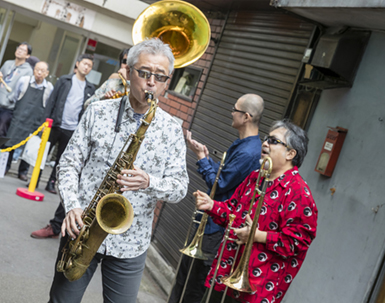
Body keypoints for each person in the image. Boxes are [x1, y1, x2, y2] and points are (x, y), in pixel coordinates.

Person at [47, 38, 189, 303]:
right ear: (129, 71)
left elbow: (180, 186)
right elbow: (68, 163)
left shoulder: (171, 129)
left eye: (160, 77)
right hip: (83, 228)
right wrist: (72, 205)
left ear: (167, 81)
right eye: (145, 73)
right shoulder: (98, 111)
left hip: (131, 242)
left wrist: (149, 181)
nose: (151, 82)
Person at [195, 119, 318, 303]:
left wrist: (257, 236)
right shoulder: (255, 176)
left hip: (256, 290)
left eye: (274, 141)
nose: (265, 143)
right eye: (266, 139)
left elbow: (297, 242)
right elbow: (233, 213)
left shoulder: (300, 194)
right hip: (226, 274)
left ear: (290, 154)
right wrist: (212, 206)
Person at [168, 93, 265, 303]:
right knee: (184, 279)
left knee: (192, 286)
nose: (231, 113)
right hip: (211, 221)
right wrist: (206, 158)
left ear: (246, 116)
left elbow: (218, 185)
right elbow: (224, 177)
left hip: (216, 227)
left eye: (235, 109)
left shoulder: (249, 152)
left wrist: (202, 160)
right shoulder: (242, 145)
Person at [43, 53, 96, 194]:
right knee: (44, 153)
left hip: (72, 130)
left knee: (61, 160)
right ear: (77, 64)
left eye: (90, 66)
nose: (87, 67)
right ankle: (34, 179)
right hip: (55, 124)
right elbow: (52, 101)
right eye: (85, 64)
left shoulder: (90, 88)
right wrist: (46, 121)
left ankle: (51, 183)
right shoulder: (64, 80)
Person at [4, 61, 54, 180]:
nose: (39, 73)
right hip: (19, 118)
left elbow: (47, 106)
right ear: (33, 70)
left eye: (42, 71)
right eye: (37, 69)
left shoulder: (49, 88)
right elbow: (16, 97)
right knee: (11, 142)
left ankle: (23, 172)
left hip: (35, 121)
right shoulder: (24, 81)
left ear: (47, 73)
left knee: (30, 147)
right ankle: (6, 166)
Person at [0, 42, 33, 137]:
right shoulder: (7, 63)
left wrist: (10, 99)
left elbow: (23, 90)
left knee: (1, 132)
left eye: (23, 50)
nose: (19, 51)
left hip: (8, 108)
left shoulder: (28, 71)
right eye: (19, 48)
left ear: (28, 55)